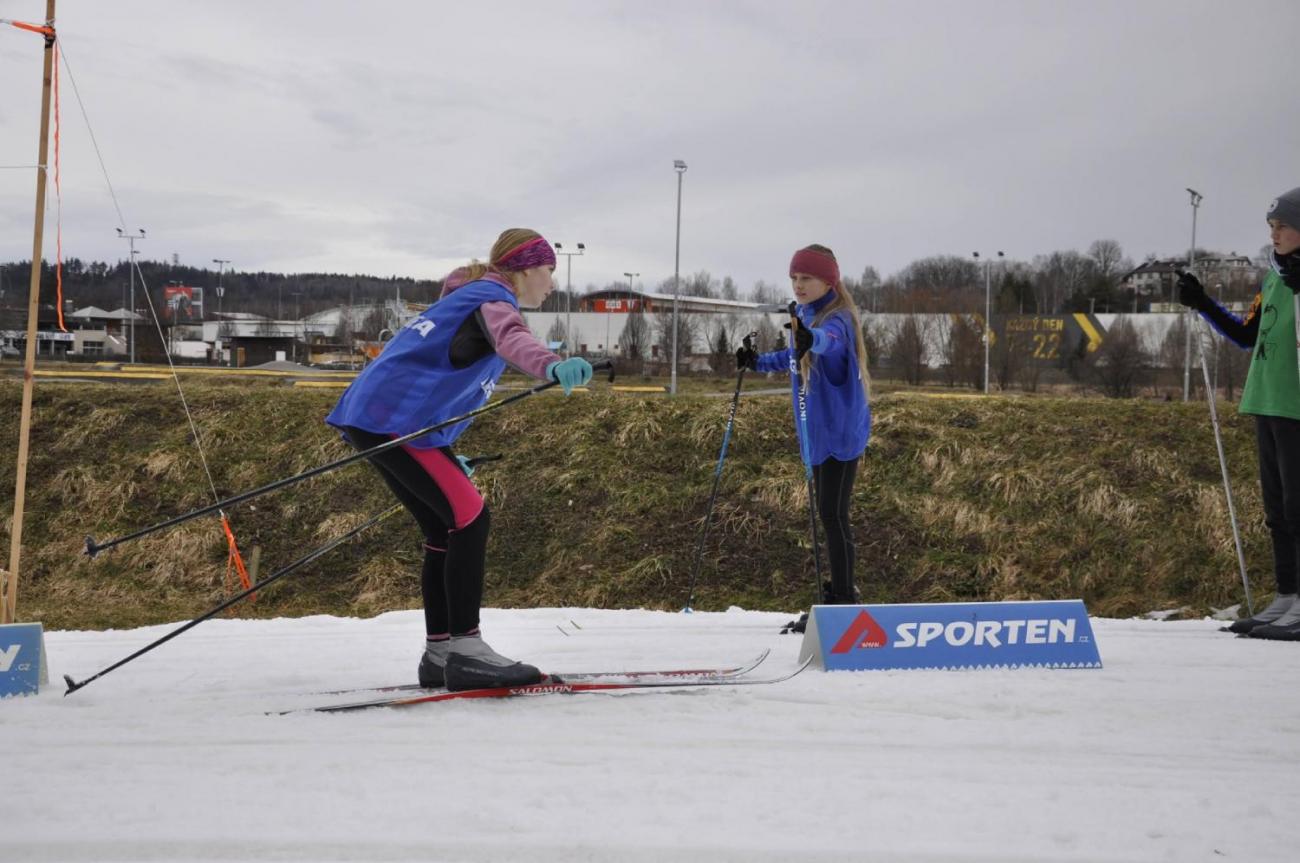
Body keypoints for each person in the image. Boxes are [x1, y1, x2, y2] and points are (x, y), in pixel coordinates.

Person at [326, 228, 593, 688]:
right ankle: (467, 653)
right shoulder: (492, 298)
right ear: (526, 268)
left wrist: (448, 452)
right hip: (395, 419)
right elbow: (512, 338)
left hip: (380, 416)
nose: (552, 284)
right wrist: (551, 364)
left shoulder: (467, 296)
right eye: (549, 271)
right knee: (471, 520)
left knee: (442, 528)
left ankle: (441, 652)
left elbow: (431, 375)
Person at [1176, 186, 1300, 640]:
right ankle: (1288, 594)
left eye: (1283, 225)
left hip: (1297, 404)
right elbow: (1247, 335)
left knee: (1299, 506)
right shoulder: (1274, 278)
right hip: (1268, 400)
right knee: (1279, 510)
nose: (1275, 234)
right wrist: (1203, 303)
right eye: (1271, 227)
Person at [736, 244, 872, 631]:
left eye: (806, 278)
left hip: (841, 431)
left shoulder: (839, 319)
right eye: (794, 278)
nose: (798, 284)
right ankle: (836, 598)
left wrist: (810, 339)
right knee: (826, 513)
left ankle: (844, 601)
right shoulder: (805, 316)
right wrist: (757, 361)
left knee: (833, 514)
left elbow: (828, 343)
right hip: (816, 430)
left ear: (828, 280)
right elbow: (795, 354)